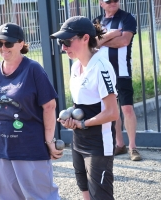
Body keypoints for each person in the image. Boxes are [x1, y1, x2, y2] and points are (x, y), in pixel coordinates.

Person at [0, 22, 63, 200]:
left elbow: (49, 106)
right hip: (0, 149)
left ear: (21, 43)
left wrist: (49, 141)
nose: (3, 48)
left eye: (8, 43)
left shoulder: (33, 69)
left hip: (29, 148)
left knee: (41, 197)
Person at [52, 16, 119, 200]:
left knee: (101, 196)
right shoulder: (75, 68)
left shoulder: (102, 67)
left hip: (98, 144)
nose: (63, 47)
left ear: (85, 38)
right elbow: (81, 106)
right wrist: (70, 120)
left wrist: (83, 124)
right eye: (61, 42)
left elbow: (112, 112)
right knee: (85, 191)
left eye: (67, 41)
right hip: (79, 141)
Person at [93, 0, 142, 161]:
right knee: (112, 108)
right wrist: (113, 34)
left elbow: (124, 41)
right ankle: (119, 144)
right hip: (104, 73)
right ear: (101, 3)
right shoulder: (96, 22)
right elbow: (93, 45)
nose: (113, 3)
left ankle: (133, 147)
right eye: (109, 1)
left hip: (122, 72)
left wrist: (103, 39)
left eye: (115, 0)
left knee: (127, 109)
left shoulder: (127, 18)